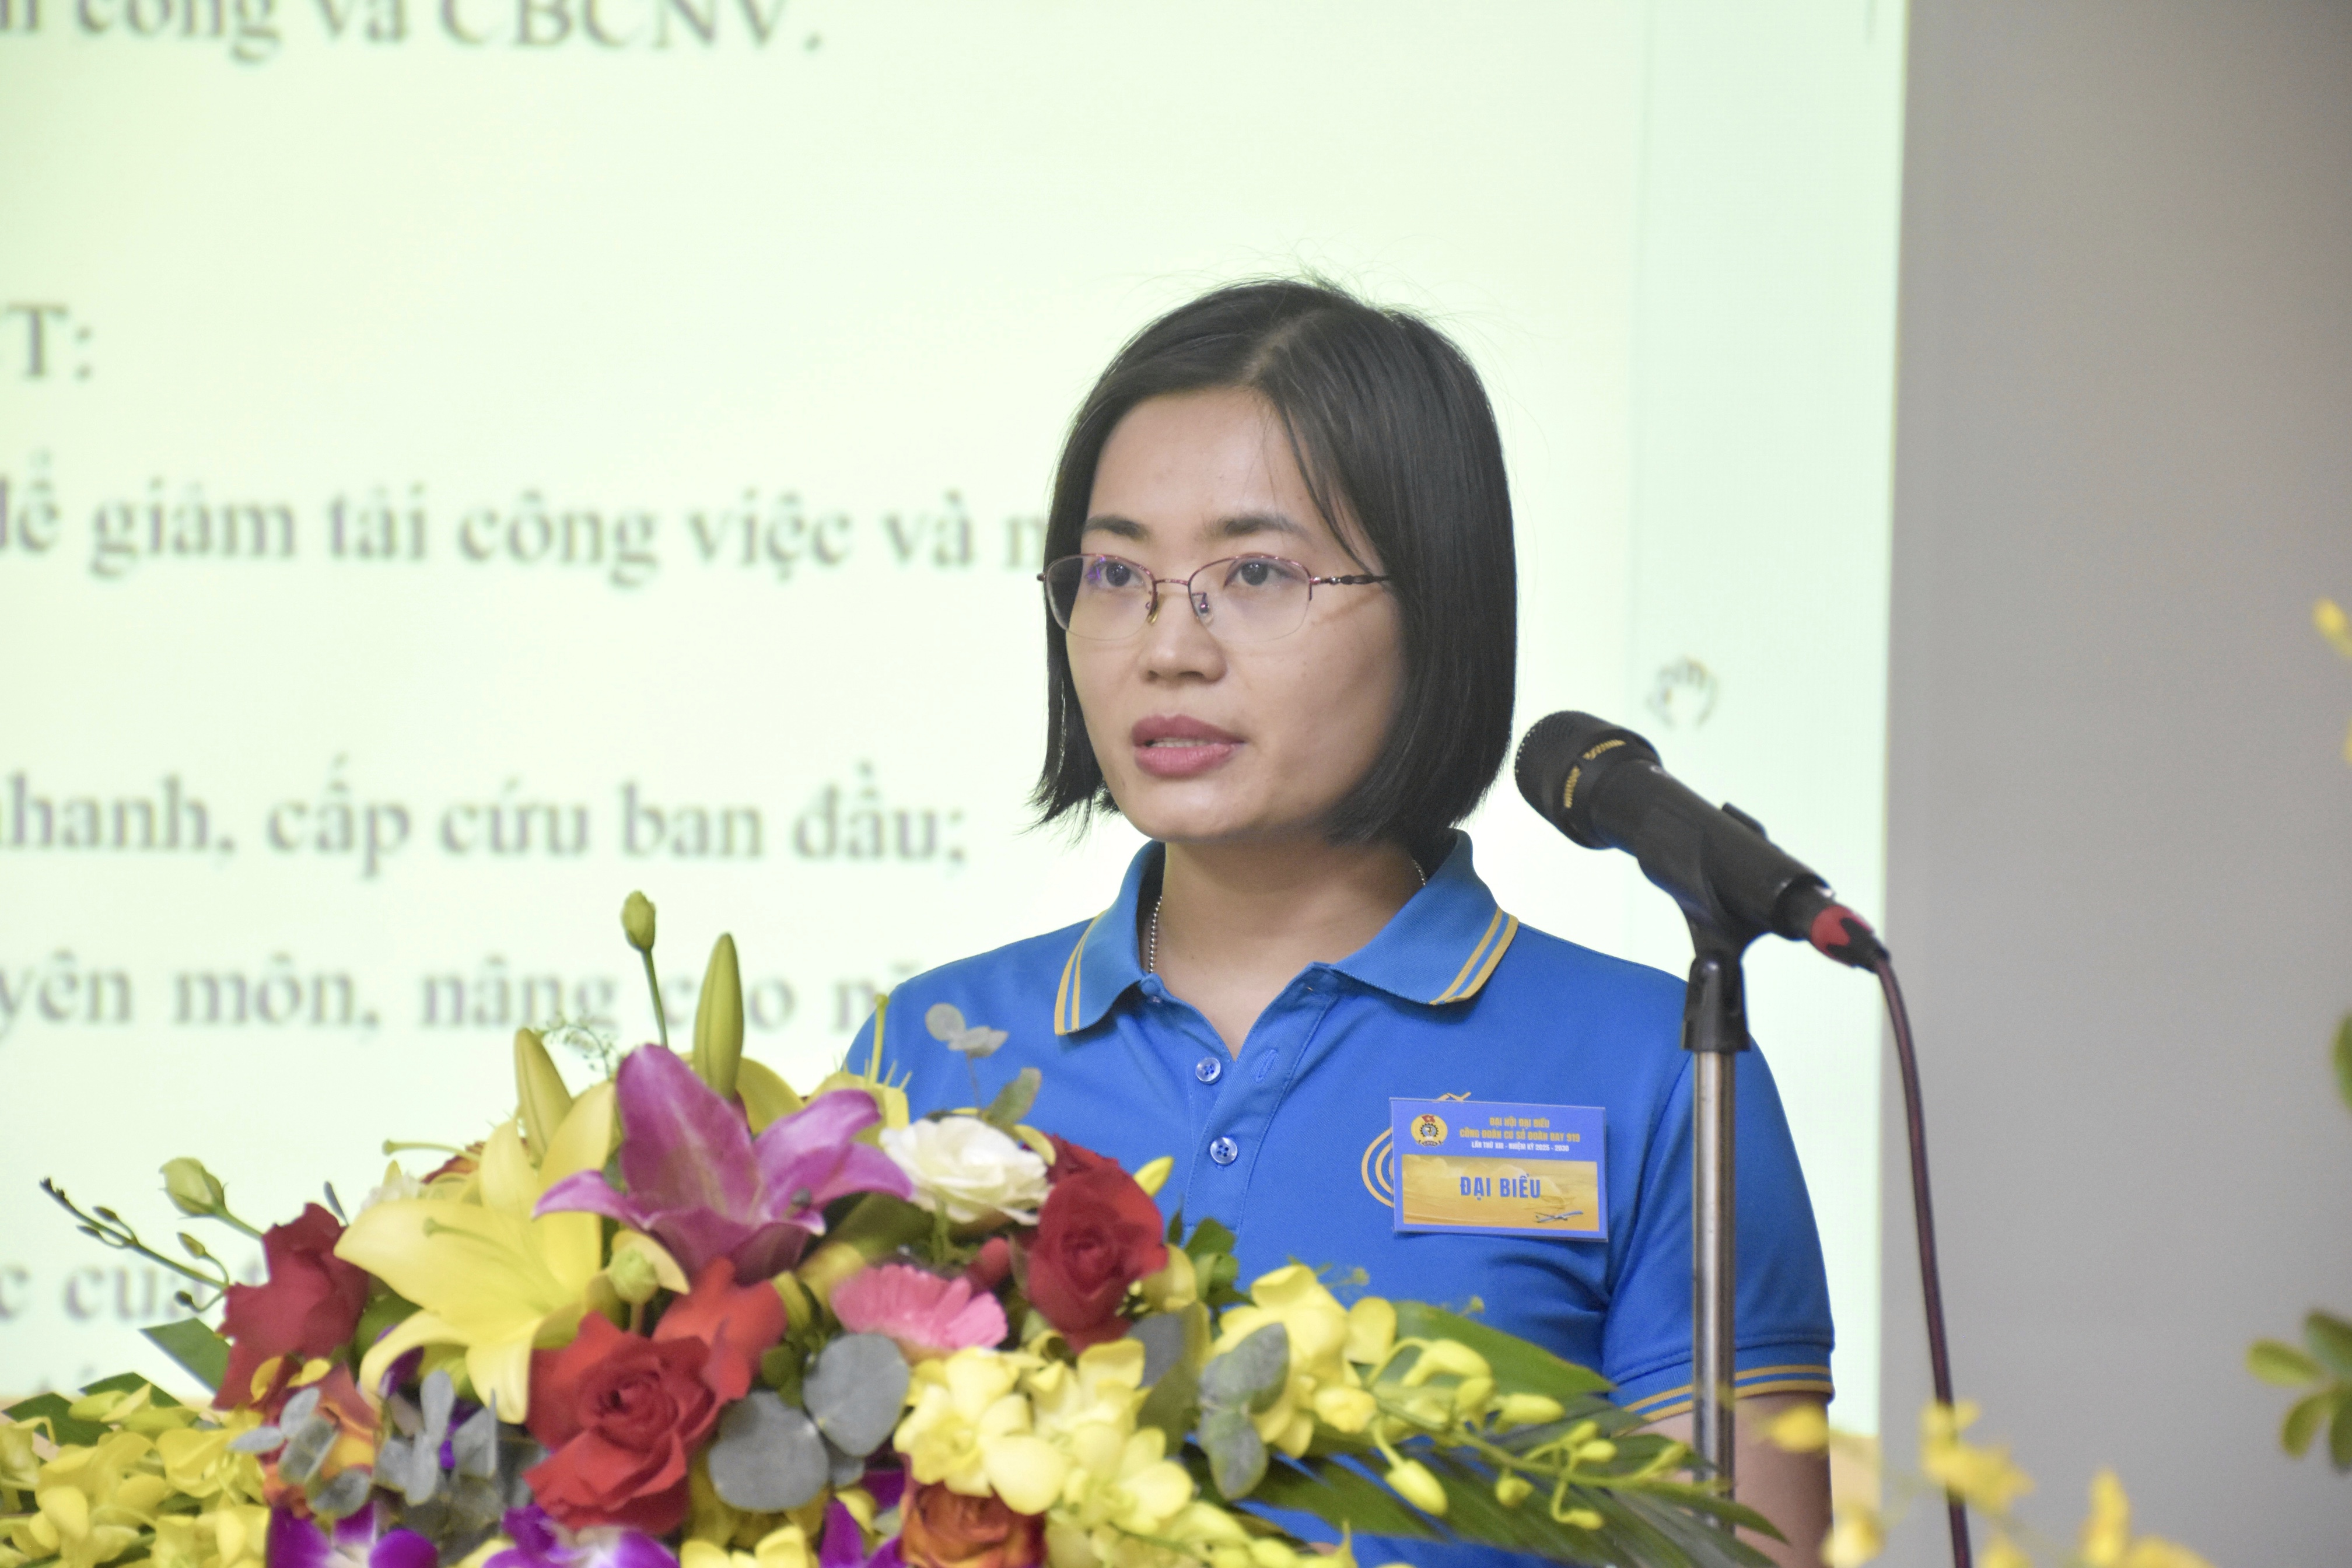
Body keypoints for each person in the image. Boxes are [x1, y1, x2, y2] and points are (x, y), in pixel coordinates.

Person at [848, 279, 1833, 1566]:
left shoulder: (1658, 1067)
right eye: (1117, 574)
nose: (1168, 647)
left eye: (1256, 572)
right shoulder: (933, 1047)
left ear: (1439, 610)